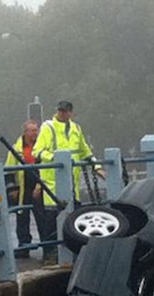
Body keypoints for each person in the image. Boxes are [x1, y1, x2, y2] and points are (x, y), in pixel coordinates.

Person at [32, 100, 99, 263]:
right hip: (52, 183)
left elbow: (84, 150)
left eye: (66, 111)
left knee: (72, 218)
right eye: (61, 111)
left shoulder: (76, 128)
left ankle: (72, 252)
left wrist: (96, 166)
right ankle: (50, 254)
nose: (63, 114)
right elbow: (37, 151)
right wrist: (56, 159)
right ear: (57, 111)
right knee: (51, 221)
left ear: (71, 113)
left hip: (72, 182)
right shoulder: (48, 127)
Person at [4, 119, 43, 259]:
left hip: (40, 187)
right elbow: (8, 170)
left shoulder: (42, 146)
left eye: (36, 130)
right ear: (25, 132)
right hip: (23, 187)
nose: (35, 133)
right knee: (22, 218)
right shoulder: (16, 149)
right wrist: (12, 189)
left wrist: (40, 186)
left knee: (43, 218)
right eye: (32, 130)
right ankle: (24, 245)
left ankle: (47, 245)